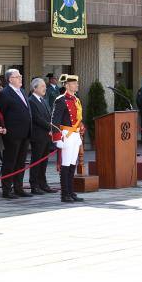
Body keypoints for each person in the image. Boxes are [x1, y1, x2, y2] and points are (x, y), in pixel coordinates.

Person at [0, 69, 33, 198]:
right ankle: (7, 189)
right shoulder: (5, 93)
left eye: (20, 76)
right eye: (18, 76)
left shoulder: (22, 91)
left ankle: (19, 187)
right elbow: (1, 114)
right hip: (12, 134)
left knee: (21, 162)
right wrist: (4, 128)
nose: (20, 78)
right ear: (10, 79)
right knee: (10, 161)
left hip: (25, 133)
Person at [51, 74, 84, 203]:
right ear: (67, 85)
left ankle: (71, 191)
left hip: (75, 135)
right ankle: (65, 194)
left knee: (71, 165)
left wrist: (80, 130)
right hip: (66, 135)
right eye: (74, 83)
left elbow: (78, 118)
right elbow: (54, 121)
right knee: (65, 165)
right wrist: (57, 138)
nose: (77, 85)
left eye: (76, 83)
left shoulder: (76, 99)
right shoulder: (61, 100)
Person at [28, 77, 56, 194]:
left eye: (45, 86)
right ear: (35, 88)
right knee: (36, 161)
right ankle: (34, 185)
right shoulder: (31, 100)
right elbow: (37, 118)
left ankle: (43, 183)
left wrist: (52, 126)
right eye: (42, 86)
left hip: (46, 136)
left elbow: (49, 116)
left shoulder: (43, 100)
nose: (45, 88)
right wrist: (51, 127)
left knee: (44, 162)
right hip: (38, 135)